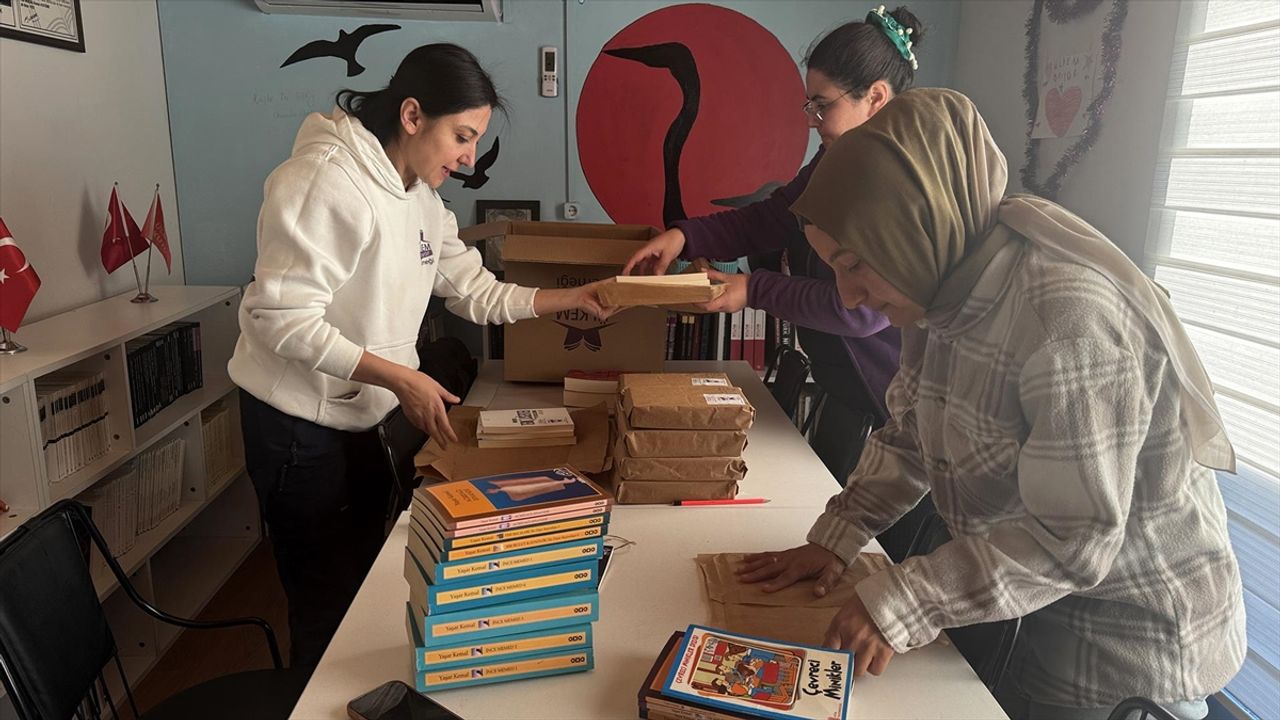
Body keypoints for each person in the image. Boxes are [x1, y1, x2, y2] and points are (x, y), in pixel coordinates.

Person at [738, 88, 1245, 719]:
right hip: (1027, 607)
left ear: (913, 231)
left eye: (855, 264)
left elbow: (1070, 542)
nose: (848, 295)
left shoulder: (1069, 328)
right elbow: (912, 433)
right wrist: (837, 538)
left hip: (1125, 650)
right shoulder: (935, 287)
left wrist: (907, 600)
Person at [228, 44, 612, 668]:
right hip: (299, 424)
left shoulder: (422, 199)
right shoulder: (324, 179)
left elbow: (476, 291)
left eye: (475, 140)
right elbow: (278, 318)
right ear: (411, 116)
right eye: (462, 136)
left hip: (365, 415)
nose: (469, 159)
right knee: (326, 598)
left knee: (365, 580)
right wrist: (403, 378)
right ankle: (317, 697)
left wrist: (573, 298)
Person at [622, 5, 926, 429]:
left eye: (823, 106)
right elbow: (769, 219)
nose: (813, 122)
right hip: (846, 384)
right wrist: (684, 237)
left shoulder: (899, 182)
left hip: (891, 399)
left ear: (875, 98)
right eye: (810, 105)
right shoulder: (832, 161)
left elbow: (860, 313)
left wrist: (753, 289)